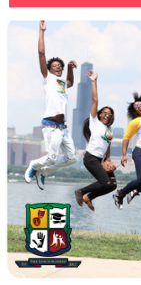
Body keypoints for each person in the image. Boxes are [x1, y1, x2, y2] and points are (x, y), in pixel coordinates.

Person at [25, 21, 78, 190]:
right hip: (50, 126)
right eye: (55, 66)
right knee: (52, 157)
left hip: (63, 128)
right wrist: (41, 32)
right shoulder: (47, 79)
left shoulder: (62, 82)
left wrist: (70, 67)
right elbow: (41, 53)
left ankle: (44, 172)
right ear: (49, 69)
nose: (58, 68)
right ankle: (34, 165)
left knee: (72, 158)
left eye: (60, 67)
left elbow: (70, 81)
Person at [75, 71, 117, 211]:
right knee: (104, 182)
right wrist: (94, 81)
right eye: (104, 113)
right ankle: (81, 192)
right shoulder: (95, 122)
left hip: (101, 159)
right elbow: (95, 101)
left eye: (109, 114)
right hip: (91, 157)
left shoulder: (109, 129)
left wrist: (109, 159)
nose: (106, 115)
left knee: (112, 185)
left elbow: (108, 145)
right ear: (99, 115)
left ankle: (89, 197)